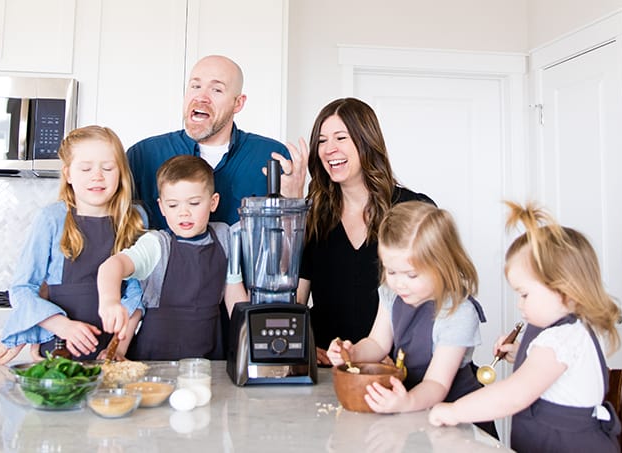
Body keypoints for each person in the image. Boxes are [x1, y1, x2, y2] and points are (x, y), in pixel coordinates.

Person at [428, 202, 622, 452]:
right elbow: (560, 378)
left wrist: (455, 411)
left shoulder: (559, 340)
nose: (519, 304)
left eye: (525, 294)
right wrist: (522, 353)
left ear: (564, 290)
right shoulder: (573, 332)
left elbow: (514, 394)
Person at [327, 201, 497, 437]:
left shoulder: (458, 313)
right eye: (391, 271)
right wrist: (352, 354)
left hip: (457, 420)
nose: (398, 282)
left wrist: (406, 403)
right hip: (415, 410)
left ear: (441, 264)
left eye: (411, 274)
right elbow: (377, 343)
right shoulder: (392, 292)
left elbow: (437, 384)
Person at [0, 126, 145, 365]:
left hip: (115, 349)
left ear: (121, 173)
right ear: (68, 174)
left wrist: (116, 348)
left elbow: (138, 294)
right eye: (86, 168)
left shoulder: (135, 219)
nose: (97, 176)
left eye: (107, 168)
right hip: (58, 347)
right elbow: (23, 288)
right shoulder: (51, 219)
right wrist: (62, 326)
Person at [295, 97, 435, 365]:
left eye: (340, 138)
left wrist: (393, 352)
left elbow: (435, 296)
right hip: (328, 366)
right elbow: (298, 298)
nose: (328, 149)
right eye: (322, 141)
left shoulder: (414, 208)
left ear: (366, 141)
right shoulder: (313, 216)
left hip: (395, 366)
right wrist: (304, 347)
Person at [127, 54, 307, 229]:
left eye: (217, 89)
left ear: (238, 103)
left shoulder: (273, 156)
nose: (201, 97)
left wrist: (294, 200)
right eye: (195, 86)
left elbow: (288, 250)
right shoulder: (142, 156)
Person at [98, 155, 248, 360]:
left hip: (208, 360)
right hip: (155, 362)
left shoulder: (224, 236)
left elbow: (234, 294)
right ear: (161, 207)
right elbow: (112, 266)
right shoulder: (156, 244)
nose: (183, 213)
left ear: (213, 202)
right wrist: (109, 301)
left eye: (194, 203)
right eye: (173, 205)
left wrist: (250, 342)